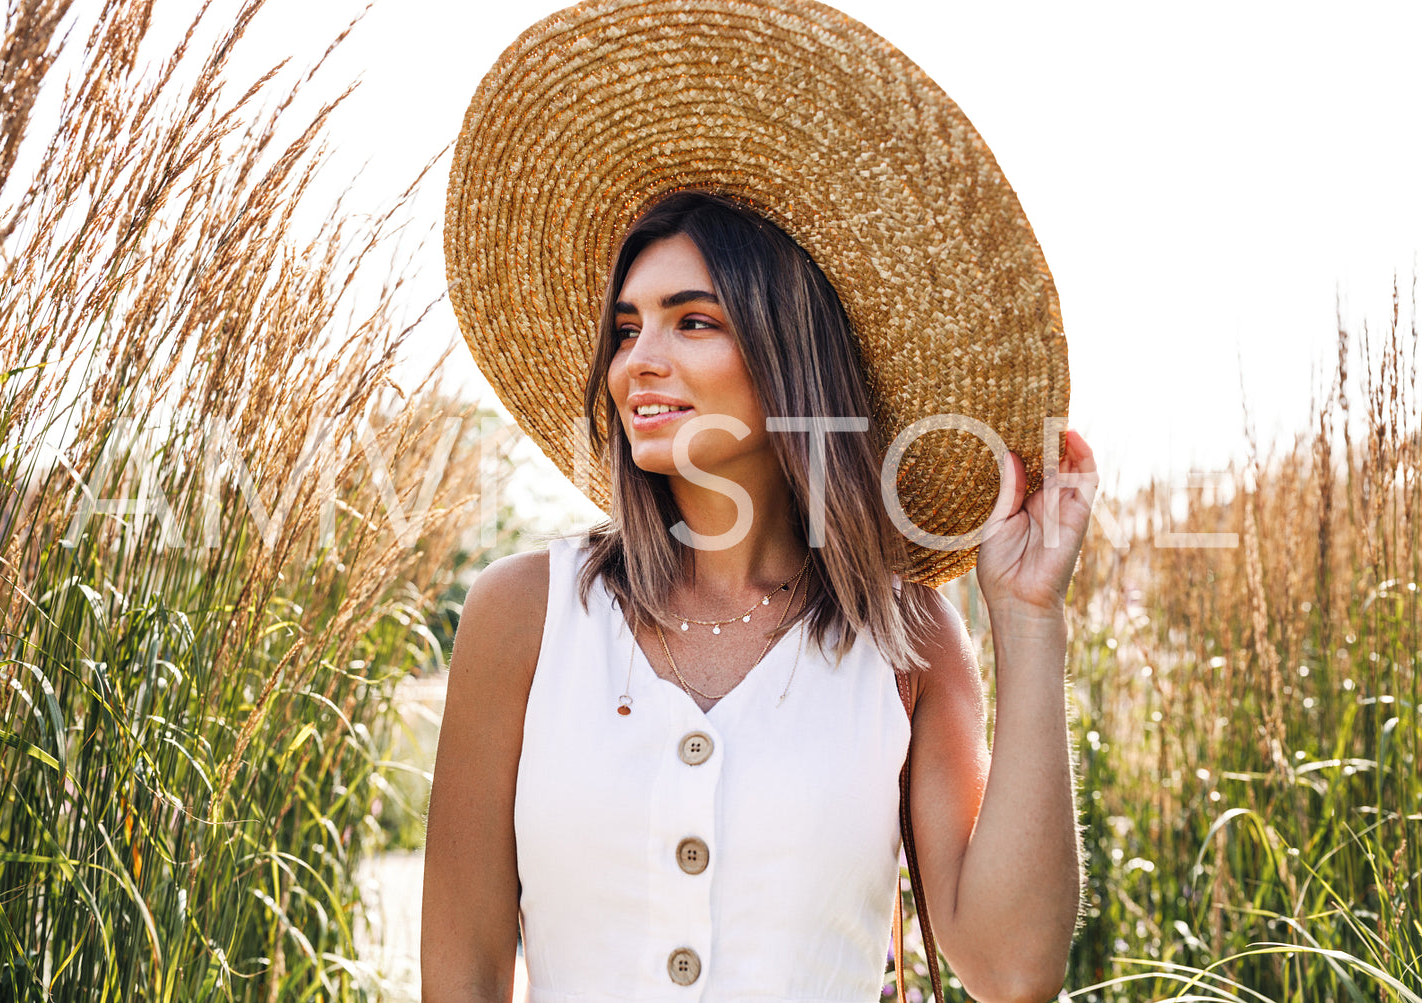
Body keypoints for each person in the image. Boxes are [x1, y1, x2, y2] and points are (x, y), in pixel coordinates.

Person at [422, 3, 1096, 1002]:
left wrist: (1027, 623)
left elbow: (1011, 965)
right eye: (625, 328)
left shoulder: (907, 636)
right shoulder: (523, 613)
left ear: (789, 354)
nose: (637, 362)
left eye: (692, 321)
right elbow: (464, 970)